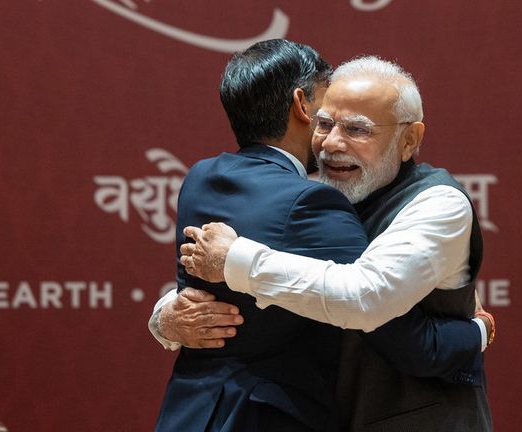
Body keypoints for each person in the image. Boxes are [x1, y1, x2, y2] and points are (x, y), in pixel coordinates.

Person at [153, 41, 489, 432]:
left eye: (357, 129)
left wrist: (476, 332)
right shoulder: (314, 194)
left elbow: (368, 299)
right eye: (325, 124)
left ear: (410, 140)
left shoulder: (436, 203)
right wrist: (167, 316)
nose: (331, 143)